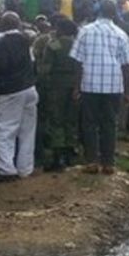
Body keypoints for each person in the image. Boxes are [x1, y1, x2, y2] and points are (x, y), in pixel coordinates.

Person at [70, 0, 129, 175]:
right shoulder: (121, 34)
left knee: (89, 124)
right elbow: (126, 66)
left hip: (89, 84)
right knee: (109, 124)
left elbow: (77, 61)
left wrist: (76, 87)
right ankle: (108, 164)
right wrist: (128, 91)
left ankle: (91, 161)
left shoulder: (85, 31)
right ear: (114, 14)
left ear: (98, 11)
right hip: (114, 86)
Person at [0, 12, 39, 179]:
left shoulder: (1, 42)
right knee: (27, 131)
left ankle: (6, 168)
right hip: (29, 89)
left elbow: (1, 66)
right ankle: (25, 168)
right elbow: (32, 63)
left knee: (4, 130)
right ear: (18, 24)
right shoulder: (26, 40)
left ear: (2, 25)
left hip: (10, 91)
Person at [37, 17, 80, 171]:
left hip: (56, 85)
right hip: (75, 84)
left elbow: (45, 68)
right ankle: (70, 153)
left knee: (56, 120)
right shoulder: (78, 45)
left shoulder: (53, 44)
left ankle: (57, 157)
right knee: (71, 119)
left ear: (61, 29)